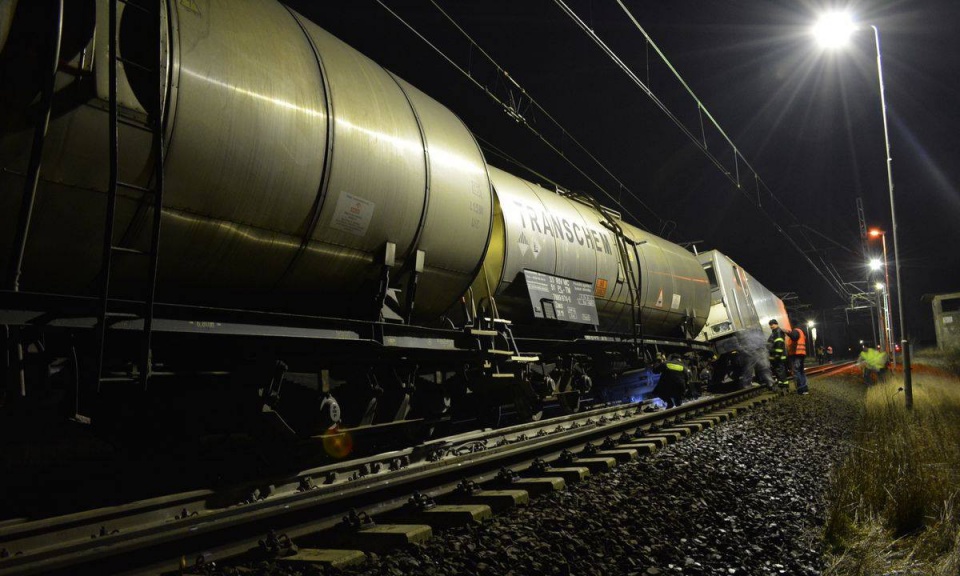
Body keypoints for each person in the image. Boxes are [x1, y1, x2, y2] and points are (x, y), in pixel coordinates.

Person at [786, 320, 809, 395]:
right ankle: (805, 389)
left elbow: (794, 337)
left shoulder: (796, 331)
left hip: (796, 354)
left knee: (796, 371)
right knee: (801, 371)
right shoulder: (801, 331)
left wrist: (787, 332)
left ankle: (800, 390)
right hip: (801, 354)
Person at [767, 319, 788, 386]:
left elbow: (779, 343)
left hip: (779, 355)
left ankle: (784, 384)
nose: (771, 326)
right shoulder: (774, 332)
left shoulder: (778, 332)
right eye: (770, 325)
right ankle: (781, 383)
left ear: (776, 324)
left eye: (772, 324)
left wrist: (777, 354)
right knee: (778, 370)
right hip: (776, 354)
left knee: (780, 369)